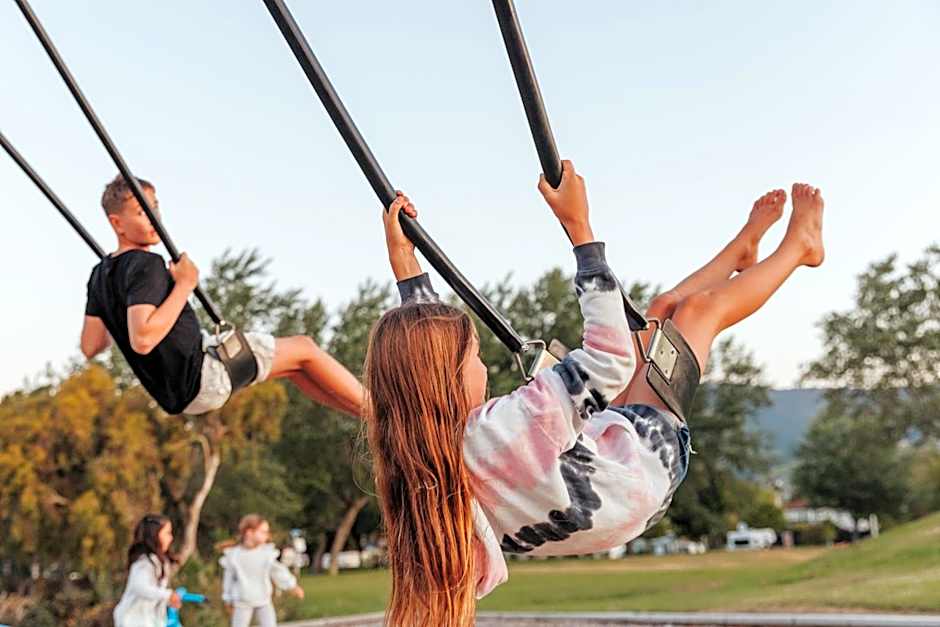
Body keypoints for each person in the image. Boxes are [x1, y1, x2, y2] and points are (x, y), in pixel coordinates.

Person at [363, 160, 824, 625]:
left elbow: (421, 358)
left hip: (607, 479)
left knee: (658, 315)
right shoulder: (502, 429)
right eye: (475, 357)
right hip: (647, 464)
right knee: (697, 313)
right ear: (445, 378)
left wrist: (407, 270)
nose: (483, 367)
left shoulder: (419, 459)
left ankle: (741, 253)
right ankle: (801, 247)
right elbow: (610, 359)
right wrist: (579, 229)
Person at [80, 174, 362, 417]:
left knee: (295, 366)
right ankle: (382, 412)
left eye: (155, 206)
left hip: (178, 395)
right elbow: (142, 340)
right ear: (117, 223)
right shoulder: (146, 264)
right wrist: (185, 284)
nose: (155, 216)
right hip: (203, 374)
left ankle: (368, 419)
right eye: (142, 212)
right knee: (304, 348)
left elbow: (91, 345)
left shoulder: (98, 277)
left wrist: (118, 310)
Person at [220, 514, 305, 627]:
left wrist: (292, 585)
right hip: (242, 601)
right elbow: (228, 579)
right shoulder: (234, 556)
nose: (267, 535)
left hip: (263, 599)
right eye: (263, 532)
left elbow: (278, 571)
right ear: (249, 533)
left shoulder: (266, 553)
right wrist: (227, 598)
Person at [113, 514, 180, 627]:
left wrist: (168, 600)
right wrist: (167, 595)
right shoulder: (143, 563)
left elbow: (155, 596)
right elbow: (141, 588)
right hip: (131, 621)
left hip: (147, 621)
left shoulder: (161, 562)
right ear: (154, 535)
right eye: (167, 533)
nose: (171, 538)